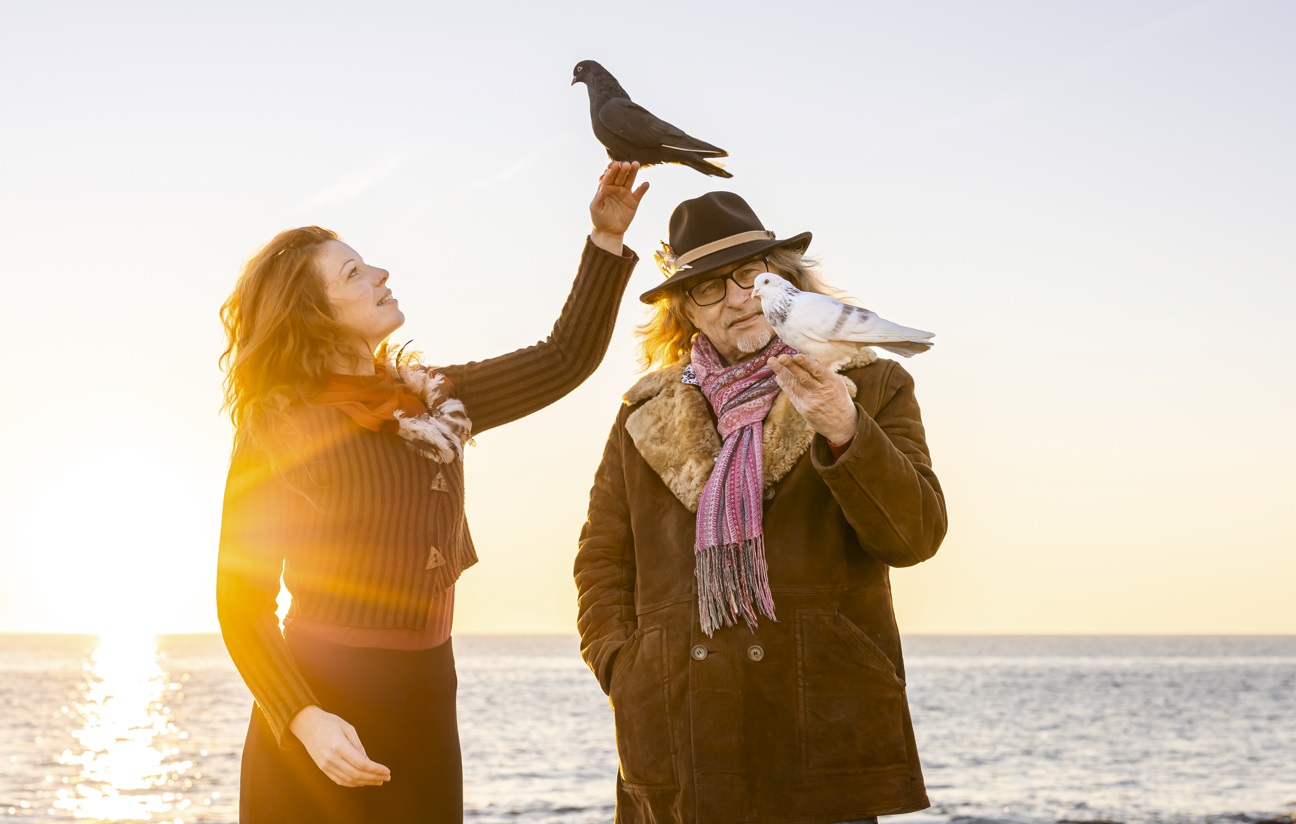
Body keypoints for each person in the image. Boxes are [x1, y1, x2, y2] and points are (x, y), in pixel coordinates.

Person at [217, 162, 647, 822]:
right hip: (317, 712)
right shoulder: (279, 427)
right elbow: (240, 602)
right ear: (315, 315)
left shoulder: (436, 399)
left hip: (426, 696)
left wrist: (606, 239)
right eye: (353, 274)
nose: (380, 274)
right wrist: (303, 717)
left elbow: (565, 358)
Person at [574, 191, 947, 823]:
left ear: (784, 277)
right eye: (710, 287)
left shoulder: (869, 383)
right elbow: (602, 559)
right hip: (679, 728)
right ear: (687, 312)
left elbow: (915, 537)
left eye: (750, 273)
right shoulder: (643, 415)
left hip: (820, 724)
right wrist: (625, 667)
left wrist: (845, 428)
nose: (739, 298)